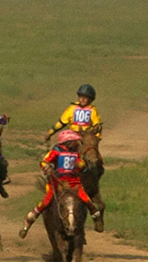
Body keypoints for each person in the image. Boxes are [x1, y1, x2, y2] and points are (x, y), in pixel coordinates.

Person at [19, 129, 103, 237]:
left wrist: (80, 165)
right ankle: (29, 221)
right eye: (74, 141)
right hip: (57, 181)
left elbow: (83, 166)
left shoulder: (76, 152)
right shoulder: (56, 151)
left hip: (74, 182)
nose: (77, 143)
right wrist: (47, 168)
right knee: (46, 201)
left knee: (86, 199)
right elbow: (44, 162)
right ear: (68, 142)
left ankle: (96, 218)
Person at [44, 84, 107, 220]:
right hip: (71, 137)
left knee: (97, 159)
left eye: (86, 97)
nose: (83, 99)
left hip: (87, 137)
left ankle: (94, 181)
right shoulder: (72, 108)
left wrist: (95, 138)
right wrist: (50, 132)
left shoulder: (93, 110)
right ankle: (52, 178)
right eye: (81, 97)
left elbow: (97, 125)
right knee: (58, 153)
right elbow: (62, 122)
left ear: (90, 99)